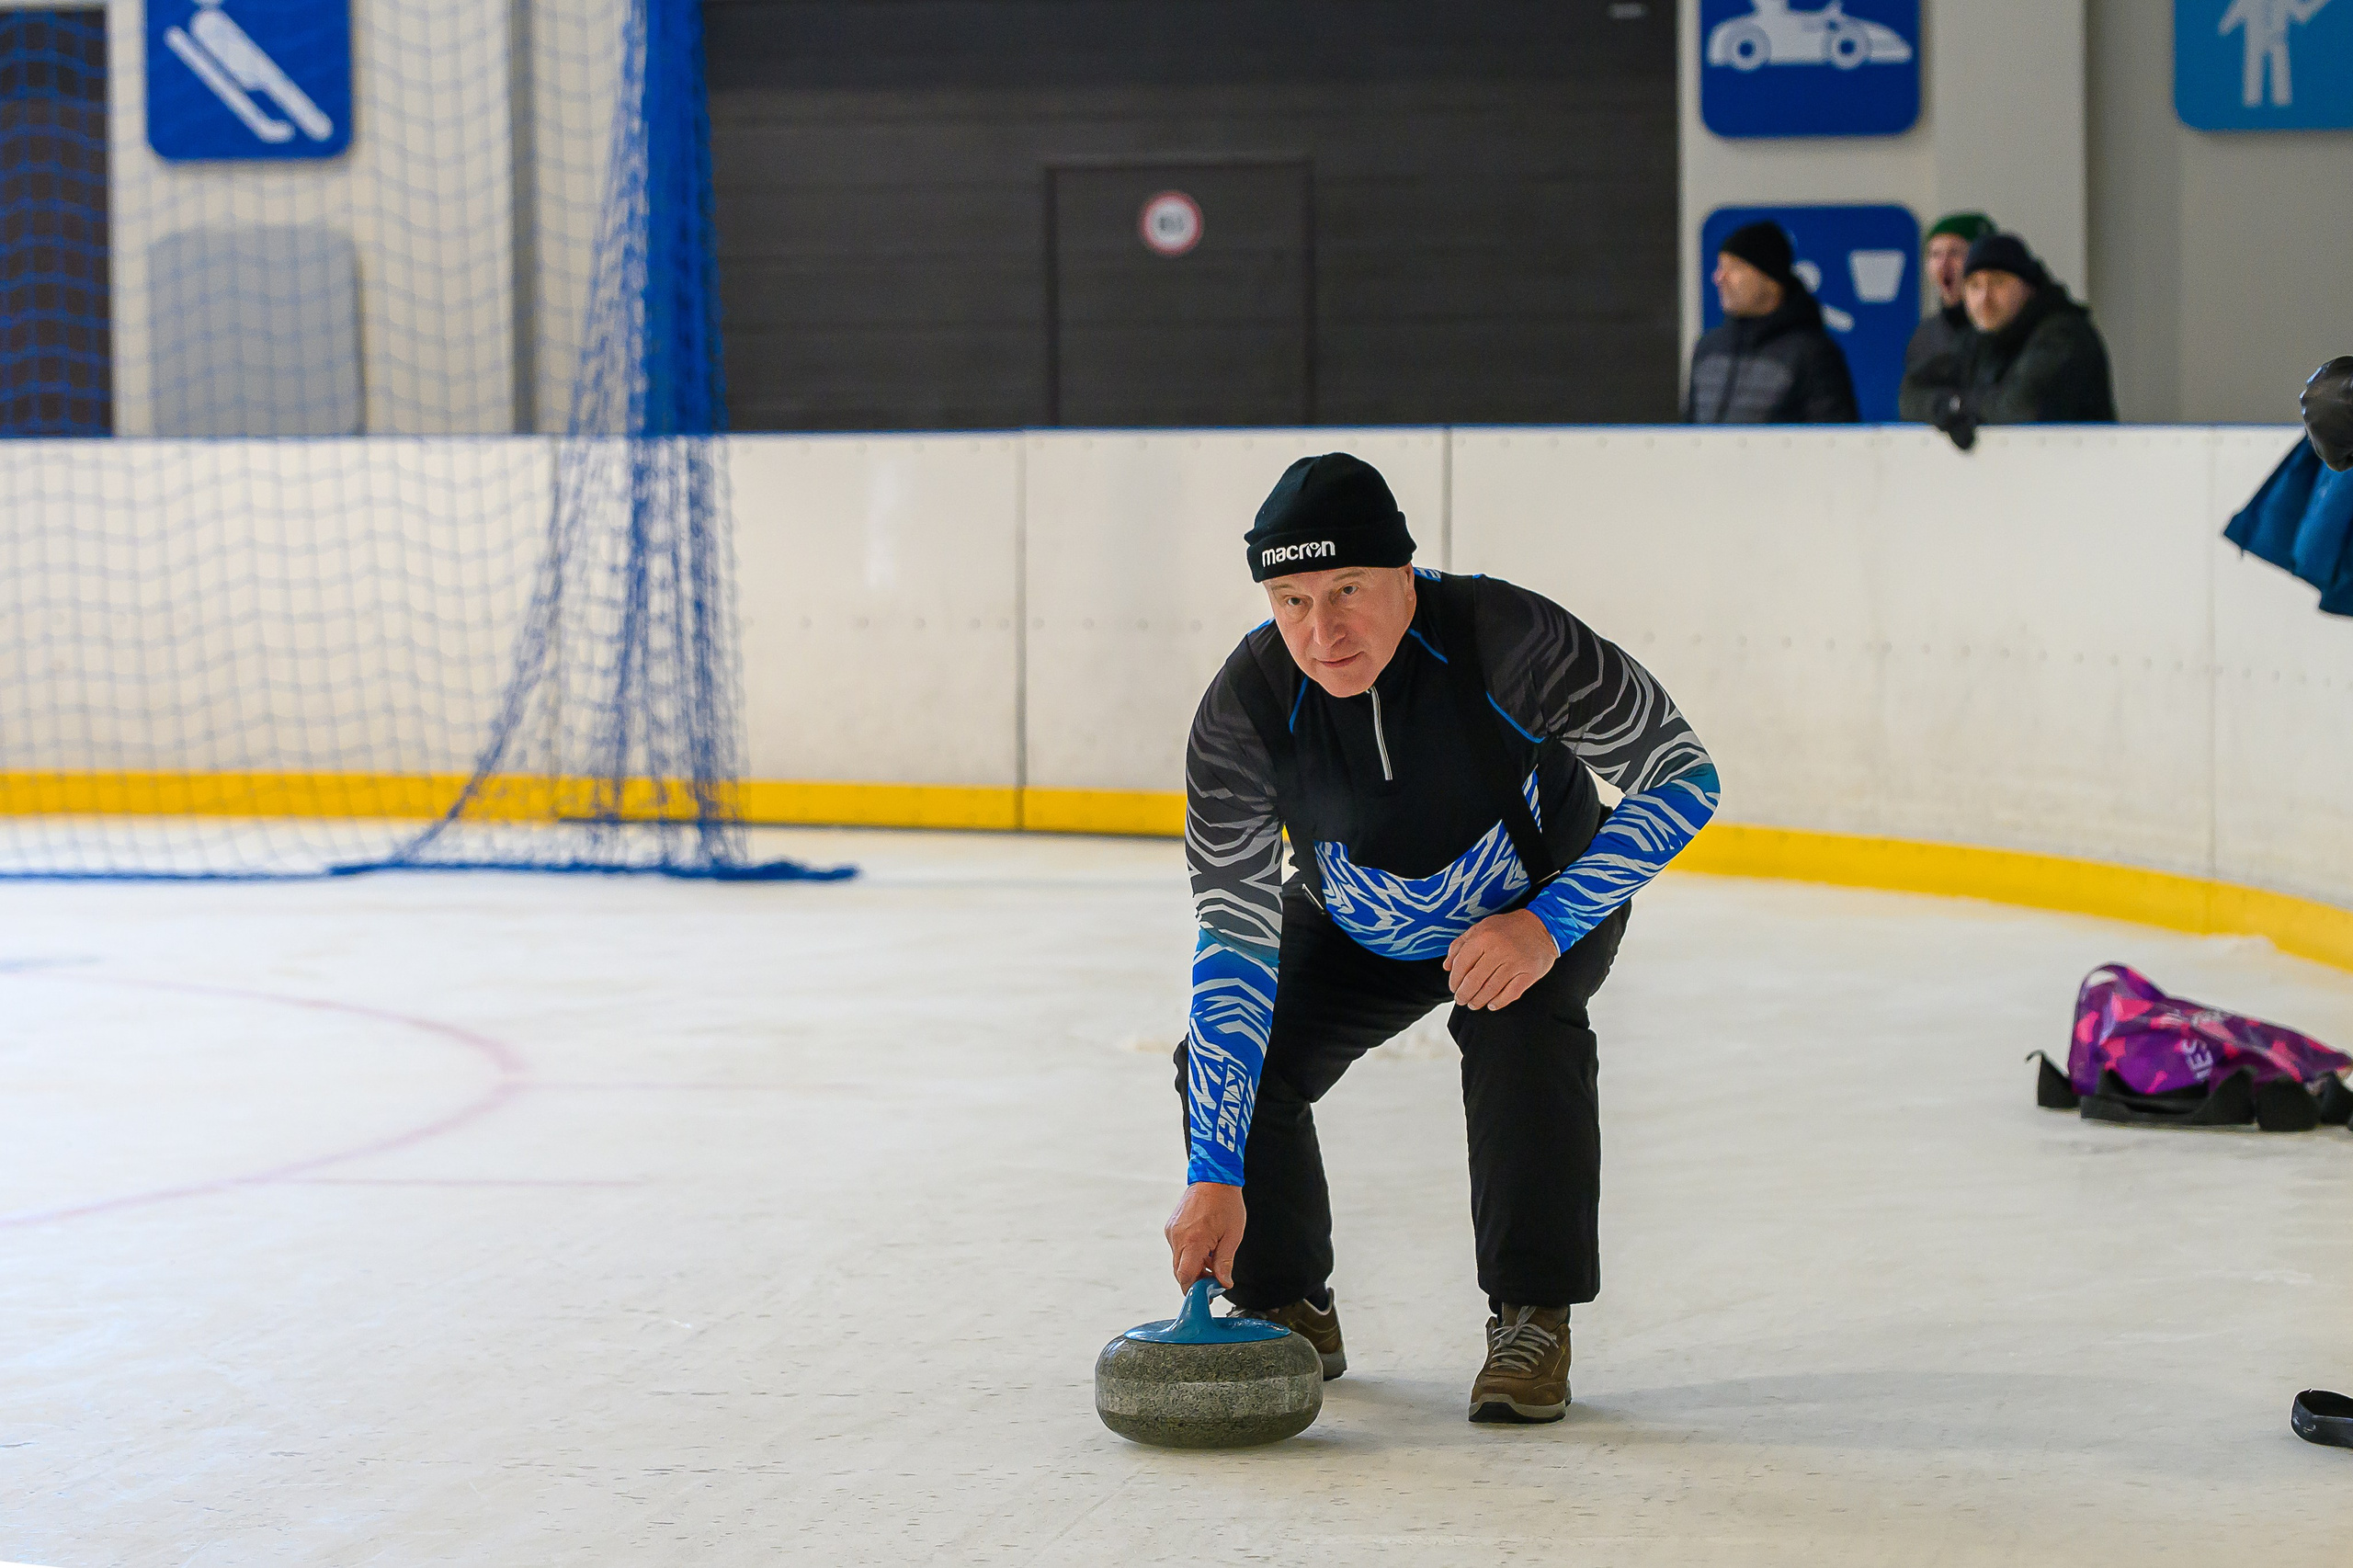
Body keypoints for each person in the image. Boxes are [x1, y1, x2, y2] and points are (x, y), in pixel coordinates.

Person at [1165, 453, 1721, 1425]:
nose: (1321, 631)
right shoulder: (1244, 708)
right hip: (1355, 920)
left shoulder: (1507, 638)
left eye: (1346, 590)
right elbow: (1235, 940)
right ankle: (1289, 1297)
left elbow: (1682, 775)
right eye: (1290, 599)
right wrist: (1214, 1170)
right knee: (1236, 1059)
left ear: (1403, 574)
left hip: (1539, 899)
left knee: (1519, 1027)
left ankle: (1530, 1316)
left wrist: (1547, 923)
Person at [1900, 232, 2117, 449]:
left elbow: (2020, 407)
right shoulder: (1976, 339)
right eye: (1975, 286)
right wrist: (1943, 407)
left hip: (2077, 471)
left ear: (2028, 288)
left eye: (1998, 283)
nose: (1985, 298)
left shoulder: (2063, 335)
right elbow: (1910, 393)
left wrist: (1959, 405)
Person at [1684, 220, 1858, 425]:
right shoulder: (1708, 348)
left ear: (1770, 279)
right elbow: (1690, 433)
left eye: (1735, 268)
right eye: (1720, 267)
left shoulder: (1813, 354)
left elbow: (1834, 442)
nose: (1720, 277)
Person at [1902, 212, 1996, 405]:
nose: (1944, 264)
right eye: (1935, 254)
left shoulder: (2003, 329)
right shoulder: (1925, 335)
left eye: (1956, 253)